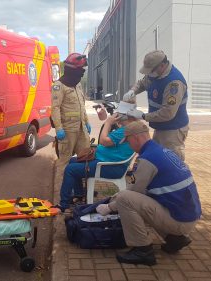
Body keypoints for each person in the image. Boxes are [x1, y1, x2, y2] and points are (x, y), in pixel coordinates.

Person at [96, 121, 202, 266]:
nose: (128, 145)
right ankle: (175, 239)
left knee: (124, 198)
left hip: (179, 221)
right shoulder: (160, 150)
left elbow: (133, 192)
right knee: (143, 201)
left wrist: (109, 207)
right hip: (188, 216)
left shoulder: (146, 159)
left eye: (128, 141)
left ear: (136, 139)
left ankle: (142, 250)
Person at [54, 110, 135, 212]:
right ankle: (79, 195)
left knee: (70, 170)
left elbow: (102, 140)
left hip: (109, 166)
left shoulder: (124, 131)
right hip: (108, 163)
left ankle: (63, 204)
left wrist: (108, 123)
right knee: (72, 161)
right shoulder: (129, 129)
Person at [122, 50, 189, 161]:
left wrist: (143, 116)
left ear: (162, 66)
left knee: (171, 161)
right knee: (158, 158)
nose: (149, 74)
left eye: (150, 71)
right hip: (161, 126)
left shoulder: (174, 83)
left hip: (173, 130)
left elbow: (167, 113)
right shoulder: (155, 73)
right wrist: (132, 91)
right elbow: (142, 83)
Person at [51, 53, 91, 191]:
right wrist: (58, 129)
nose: (82, 73)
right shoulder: (59, 86)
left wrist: (86, 122)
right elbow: (55, 108)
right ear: (72, 69)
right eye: (80, 70)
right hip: (67, 131)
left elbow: (82, 105)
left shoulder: (77, 85)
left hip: (81, 130)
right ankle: (58, 199)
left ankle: (80, 193)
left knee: (84, 162)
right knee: (63, 164)